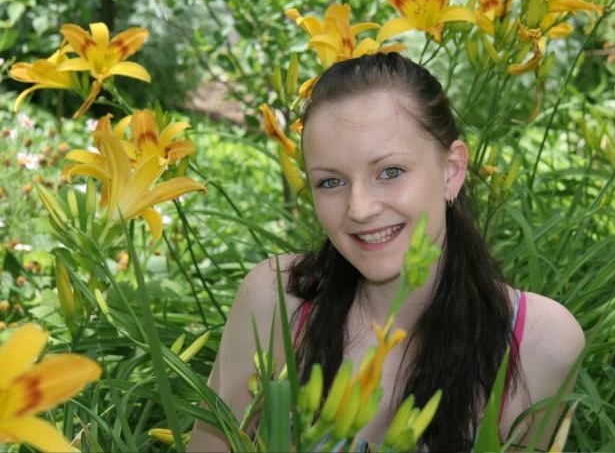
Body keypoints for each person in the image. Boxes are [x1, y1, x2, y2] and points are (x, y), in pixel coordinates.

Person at [187, 52, 584, 452]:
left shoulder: (540, 343)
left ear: (452, 170)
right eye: (330, 182)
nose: (359, 208)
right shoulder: (275, 301)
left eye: (389, 172)